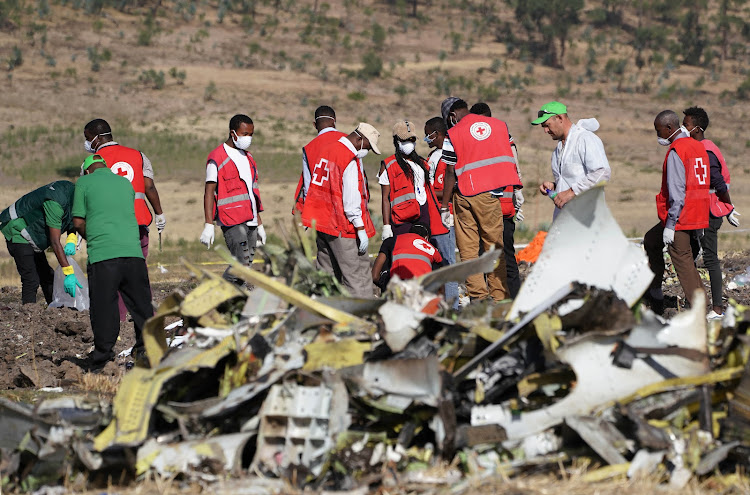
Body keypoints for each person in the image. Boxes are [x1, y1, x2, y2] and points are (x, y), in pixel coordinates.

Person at [73, 154, 156, 370]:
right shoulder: (125, 183)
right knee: (141, 306)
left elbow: (78, 221)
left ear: (88, 170)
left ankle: (103, 360)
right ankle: (146, 353)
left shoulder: (83, 182)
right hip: (134, 255)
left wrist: (93, 235)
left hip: (104, 256)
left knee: (104, 307)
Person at [439, 97, 521, 302]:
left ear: (451, 116)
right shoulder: (498, 126)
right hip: (489, 195)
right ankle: (499, 297)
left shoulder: (454, 132)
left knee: (468, 251)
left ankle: (478, 298)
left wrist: (444, 206)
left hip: (463, 195)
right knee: (494, 248)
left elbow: (450, 171)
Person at [83, 119, 165, 321]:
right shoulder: (138, 155)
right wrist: (159, 213)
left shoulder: (93, 163)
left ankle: (116, 318)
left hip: (109, 227)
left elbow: (87, 195)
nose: (87, 143)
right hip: (138, 223)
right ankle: (148, 318)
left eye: (87, 139)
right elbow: (149, 187)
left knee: (111, 275)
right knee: (139, 274)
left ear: (96, 138)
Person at [301, 123, 379, 298]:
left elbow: (309, 185)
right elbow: (351, 200)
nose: (366, 152)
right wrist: (360, 228)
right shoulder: (348, 158)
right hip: (342, 225)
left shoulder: (328, 150)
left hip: (321, 222)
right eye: (367, 147)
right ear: (359, 139)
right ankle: (362, 316)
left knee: (326, 274)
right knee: (356, 276)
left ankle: (323, 312)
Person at [643, 110, 710, 315]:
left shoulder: (677, 151)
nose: (658, 135)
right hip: (696, 213)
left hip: (680, 217)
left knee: (683, 262)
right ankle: (654, 291)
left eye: (659, 131)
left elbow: (677, 193)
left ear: (669, 128)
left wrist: (671, 225)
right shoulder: (697, 147)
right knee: (651, 240)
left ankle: (700, 310)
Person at [683, 106, 740, 319]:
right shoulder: (700, 148)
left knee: (710, 257)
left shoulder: (705, 151)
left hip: (710, 211)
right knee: (697, 253)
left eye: (686, 124)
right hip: (702, 209)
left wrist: (729, 208)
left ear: (696, 129)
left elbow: (717, 182)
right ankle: (700, 302)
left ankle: (717, 309)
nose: (683, 128)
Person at [200, 114, 266, 284]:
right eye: (245, 134)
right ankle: (218, 292)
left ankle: (235, 301)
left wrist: (259, 223)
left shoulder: (249, 158)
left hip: (250, 219)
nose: (248, 138)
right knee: (241, 263)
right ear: (233, 133)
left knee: (246, 266)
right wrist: (208, 224)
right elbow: (209, 191)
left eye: (251, 134)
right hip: (232, 220)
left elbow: (253, 194)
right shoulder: (217, 157)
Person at [470, 102, 524, 298]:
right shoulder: (505, 140)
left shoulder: (480, 144)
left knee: (492, 257)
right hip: (504, 208)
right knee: (504, 258)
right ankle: (509, 299)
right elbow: (516, 172)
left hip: (490, 209)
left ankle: (502, 299)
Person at [1, 181, 82, 304]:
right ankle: (28, 315)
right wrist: (68, 272)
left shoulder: (74, 196)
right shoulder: (56, 202)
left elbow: (72, 219)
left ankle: (55, 310)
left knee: (47, 276)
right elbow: (55, 242)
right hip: (18, 231)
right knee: (31, 279)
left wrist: (71, 239)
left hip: (32, 235)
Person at [532, 101, 611, 219]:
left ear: (559, 118)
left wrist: (571, 192)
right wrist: (554, 187)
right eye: (543, 127)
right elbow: (572, 180)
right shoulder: (557, 151)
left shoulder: (585, 139)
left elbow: (602, 172)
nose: (545, 131)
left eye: (547, 125)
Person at [379, 121, 447, 242]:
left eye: (412, 139)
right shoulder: (389, 165)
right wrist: (386, 226)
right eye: (406, 140)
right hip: (402, 218)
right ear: (397, 141)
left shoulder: (422, 163)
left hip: (423, 214)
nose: (410, 143)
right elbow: (385, 197)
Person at [424, 116, 459, 308]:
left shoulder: (444, 154)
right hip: (437, 213)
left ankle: (452, 306)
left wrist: (424, 191)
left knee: (447, 262)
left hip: (443, 215)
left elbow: (446, 186)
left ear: (436, 134)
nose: (426, 139)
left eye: (427, 135)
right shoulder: (438, 154)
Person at [292, 105, 346, 215]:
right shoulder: (348, 141)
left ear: (314, 125)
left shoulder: (308, 148)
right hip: (346, 209)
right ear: (334, 121)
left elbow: (308, 187)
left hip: (322, 213)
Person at [372, 223, 444, 288]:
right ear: (426, 238)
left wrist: (384, 287)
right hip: (421, 290)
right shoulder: (433, 249)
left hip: (396, 286)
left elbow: (375, 276)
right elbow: (440, 281)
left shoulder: (392, 240)